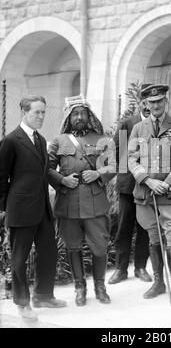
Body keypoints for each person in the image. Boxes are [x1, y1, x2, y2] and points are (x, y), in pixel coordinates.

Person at [0, 95, 66, 322]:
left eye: (43, 112)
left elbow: (44, 171)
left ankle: (44, 295)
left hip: (42, 208)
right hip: (21, 209)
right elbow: (1, 177)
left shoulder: (41, 139)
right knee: (19, 258)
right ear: (24, 112)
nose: (41, 117)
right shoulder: (11, 140)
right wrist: (4, 207)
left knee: (49, 251)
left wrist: (61, 182)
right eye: (36, 112)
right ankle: (22, 302)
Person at [48, 95, 114, 307]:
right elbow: (47, 168)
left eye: (82, 113)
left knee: (100, 246)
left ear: (88, 115)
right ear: (69, 116)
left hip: (95, 202)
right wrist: (61, 179)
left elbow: (113, 166)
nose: (79, 117)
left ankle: (100, 287)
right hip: (68, 203)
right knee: (72, 246)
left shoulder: (102, 140)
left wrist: (98, 174)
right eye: (75, 114)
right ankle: (79, 288)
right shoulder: (59, 141)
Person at [128, 84, 171, 307]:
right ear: (145, 104)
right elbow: (131, 159)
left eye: (159, 101)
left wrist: (166, 182)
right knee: (154, 236)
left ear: (166, 101)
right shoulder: (138, 129)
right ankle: (158, 283)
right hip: (145, 194)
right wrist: (148, 180)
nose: (155, 105)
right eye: (151, 102)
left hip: (170, 194)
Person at [108, 84, 152, 284]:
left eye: (151, 102)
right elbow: (115, 151)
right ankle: (120, 268)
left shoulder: (158, 124)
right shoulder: (127, 124)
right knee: (124, 226)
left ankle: (141, 267)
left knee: (145, 226)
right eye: (143, 102)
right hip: (128, 185)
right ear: (139, 103)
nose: (147, 106)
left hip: (149, 185)